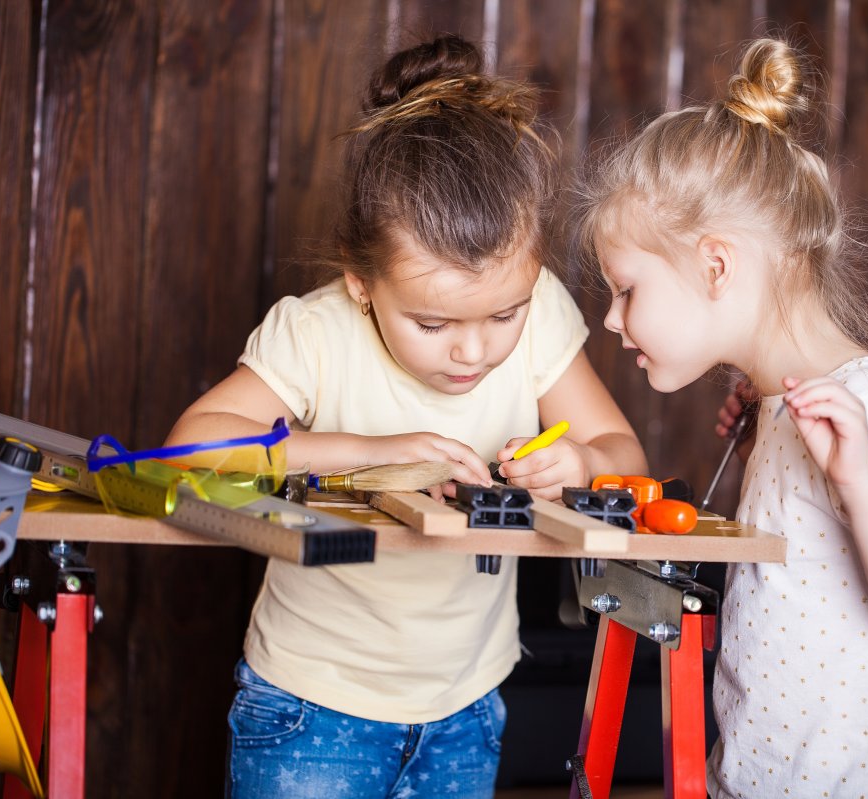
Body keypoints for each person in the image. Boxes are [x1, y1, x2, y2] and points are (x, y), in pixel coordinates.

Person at [166, 34, 647, 799]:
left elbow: (624, 452)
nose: (473, 351)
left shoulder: (545, 316)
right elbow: (187, 450)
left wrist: (582, 464)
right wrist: (366, 449)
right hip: (311, 704)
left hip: (467, 705)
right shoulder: (317, 331)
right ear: (362, 284)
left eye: (504, 313)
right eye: (432, 324)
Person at [576, 36, 868, 797]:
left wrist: (859, 481)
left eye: (626, 291)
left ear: (715, 266)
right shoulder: (784, 410)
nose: (613, 323)